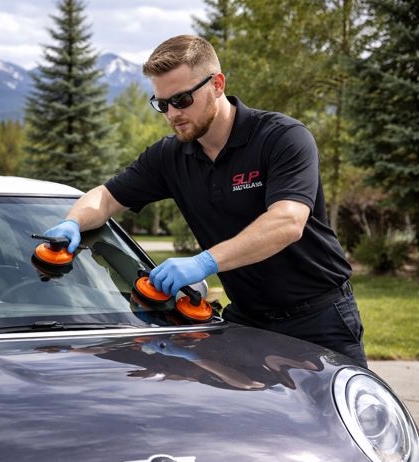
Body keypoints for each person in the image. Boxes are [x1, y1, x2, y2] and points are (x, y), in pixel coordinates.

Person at [44, 34, 366, 367]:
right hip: (247, 320)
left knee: (346, 415)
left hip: (320, 318)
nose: (172, 114)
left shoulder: (282, 138)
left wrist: (203, 263)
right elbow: (105, 198)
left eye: (182, 99)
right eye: (161, 103)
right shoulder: (169, 156)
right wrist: (74, 221)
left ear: (217, 84)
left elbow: (287, 222)